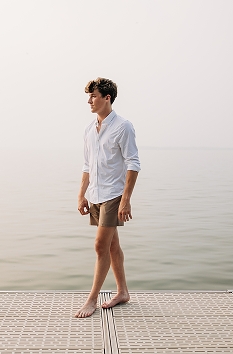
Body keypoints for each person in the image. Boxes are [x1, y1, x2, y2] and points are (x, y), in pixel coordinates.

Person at [75, 77, 140, 318]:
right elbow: (87, 165)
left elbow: (133, 163)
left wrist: (125, 200)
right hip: (96, 195)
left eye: (93, 96)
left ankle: (92, 300)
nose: (89, 101)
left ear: (107, 98)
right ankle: (123, 292)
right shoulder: (88, 129)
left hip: (114, 194)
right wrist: (82, 195)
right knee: (112, 245)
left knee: (100, 245)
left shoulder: (123, 126)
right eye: (88, 96)